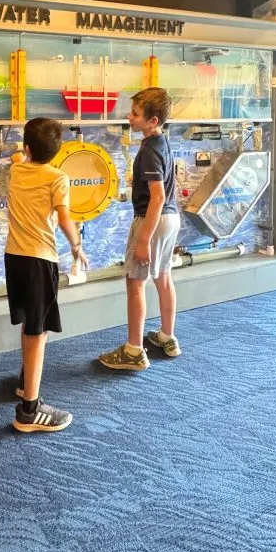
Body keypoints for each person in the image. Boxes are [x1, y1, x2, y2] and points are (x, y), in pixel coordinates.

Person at [5, 117, 88, 433]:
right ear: (57, 152)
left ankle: (26, 381)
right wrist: (77, 246)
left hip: (13, 257)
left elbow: (17, 157)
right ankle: (29, 410)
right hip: (40, 261)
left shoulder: (16, 169)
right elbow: (65, 219)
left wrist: (23, 154)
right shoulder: (58, 178)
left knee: (30, 321)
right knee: (38, 332)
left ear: (26, 148)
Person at [98, 87, 181, 371]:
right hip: (171, 218)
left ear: (153, 120)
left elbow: (157, 196)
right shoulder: (163, 144)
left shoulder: (148, 150)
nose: (129, 118)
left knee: (135, 283)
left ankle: (134, 350)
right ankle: (167, 337)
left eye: (135, 114)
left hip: (153, 220)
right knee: (164, 277)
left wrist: (144, 238)